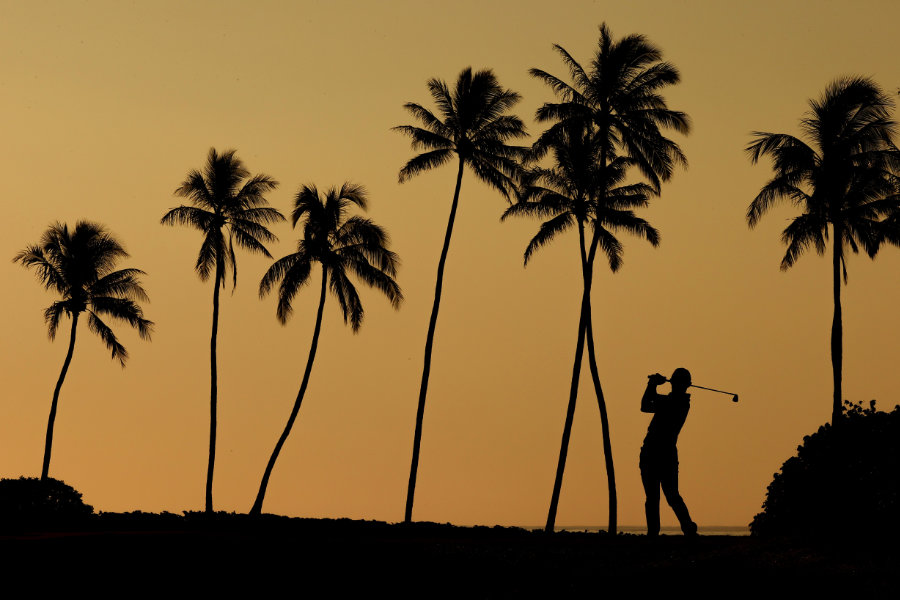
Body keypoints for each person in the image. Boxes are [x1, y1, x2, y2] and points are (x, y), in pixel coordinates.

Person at [640, 368, 698, 537]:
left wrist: (652, 385)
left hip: (661, 453)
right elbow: (646, 406)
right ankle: (656, 532)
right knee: (657, 497)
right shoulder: (674, 401)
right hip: (657, 453)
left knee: (669, 495)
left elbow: (646, 405)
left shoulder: (679, 403)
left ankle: (686, 527)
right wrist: (652, 386)